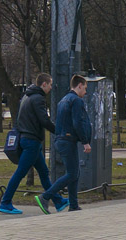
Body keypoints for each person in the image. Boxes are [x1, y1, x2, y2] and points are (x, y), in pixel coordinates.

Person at [0, 74, 64, 214]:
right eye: (50, 84)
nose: (51, 88)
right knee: (20, 172)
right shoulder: (38, 98)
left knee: (43, 173)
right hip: (32, 141)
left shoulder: (26, 97)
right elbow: (44, 120)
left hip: (27, 139)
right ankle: (5, 202)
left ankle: (58, 201)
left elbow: (20, 118)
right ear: (44, 84)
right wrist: (59, 131)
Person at [35, 74, 93, 213]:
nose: (85, 92)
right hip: (68, 140)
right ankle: (46, 196)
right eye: (84, 88)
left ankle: (73, 205)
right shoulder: (76, 101)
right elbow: (77, 122)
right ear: (79, 86)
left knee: (74, 173)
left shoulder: (63, 100)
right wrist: (85, 141)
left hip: (61, 140)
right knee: (72, 174)